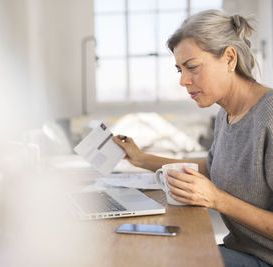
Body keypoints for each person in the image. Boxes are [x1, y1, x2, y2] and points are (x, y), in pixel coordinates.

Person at [113, 9, 273, 267]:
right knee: (142, 250)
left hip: (264, 259)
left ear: (229, 58)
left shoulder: (270, 117)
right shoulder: (226, 114)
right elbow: (216, 166)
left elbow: (217, 188)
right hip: (239, 249)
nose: (183, 81)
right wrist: (142, 159)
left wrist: (216, 198)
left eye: (192, 67)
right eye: (179, 70)